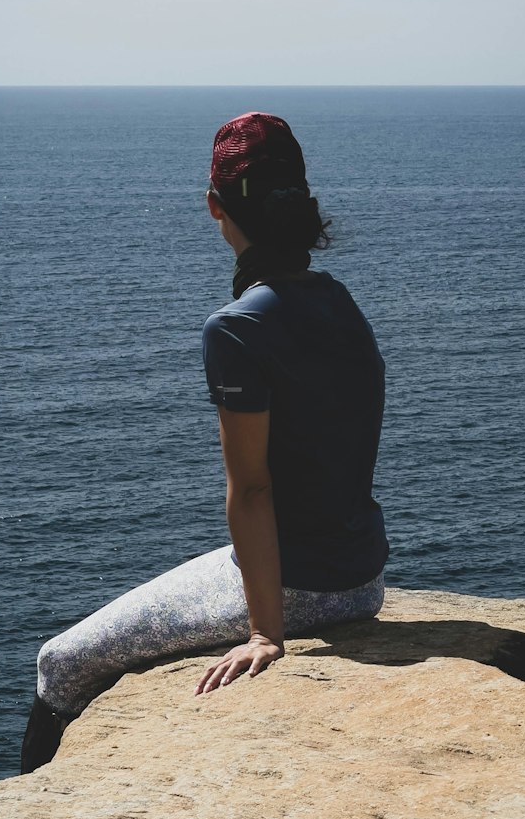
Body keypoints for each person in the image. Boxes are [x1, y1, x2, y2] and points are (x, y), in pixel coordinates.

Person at [20, 112, 388, 772]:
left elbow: (251, 489)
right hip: (364, 578)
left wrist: (264, 634)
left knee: (60, 662)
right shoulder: (340, 300)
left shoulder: (237, 327)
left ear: (215, 206)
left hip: (301, 591)